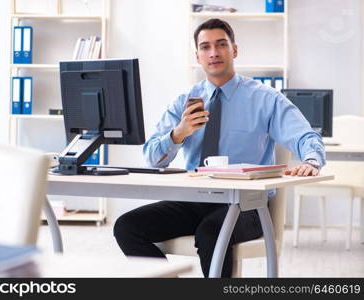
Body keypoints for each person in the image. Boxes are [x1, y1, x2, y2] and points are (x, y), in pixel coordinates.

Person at [113, 18, 325, 277]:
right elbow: (152, 158)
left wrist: (311, 161)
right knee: (127, 227)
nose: (213, 52)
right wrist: (179, 133)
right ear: (198, 56)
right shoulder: (185, 102)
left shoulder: (266, 98)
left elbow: (305, 136)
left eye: (221, 44)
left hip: (247, 205)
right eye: (205, 47)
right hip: (194, 199)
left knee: (212, 232)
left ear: (234, 50)